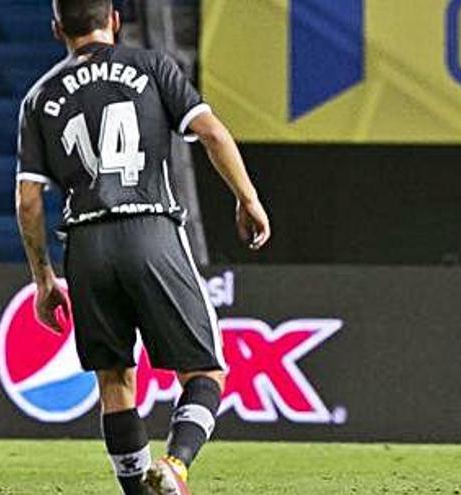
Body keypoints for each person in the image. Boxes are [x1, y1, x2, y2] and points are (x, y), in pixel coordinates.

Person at [15, 1, 271, 493]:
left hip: (86, 243)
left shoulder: (38, 96)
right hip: (149, 230)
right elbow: (211, 132)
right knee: (206, 371)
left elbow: (28, 200)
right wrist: (248, 199)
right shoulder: (152, 66)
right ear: (112, 20)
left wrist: (43, 279)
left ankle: (138, 491)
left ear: (56, 29)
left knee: (115, 383)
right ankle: (175, 465)